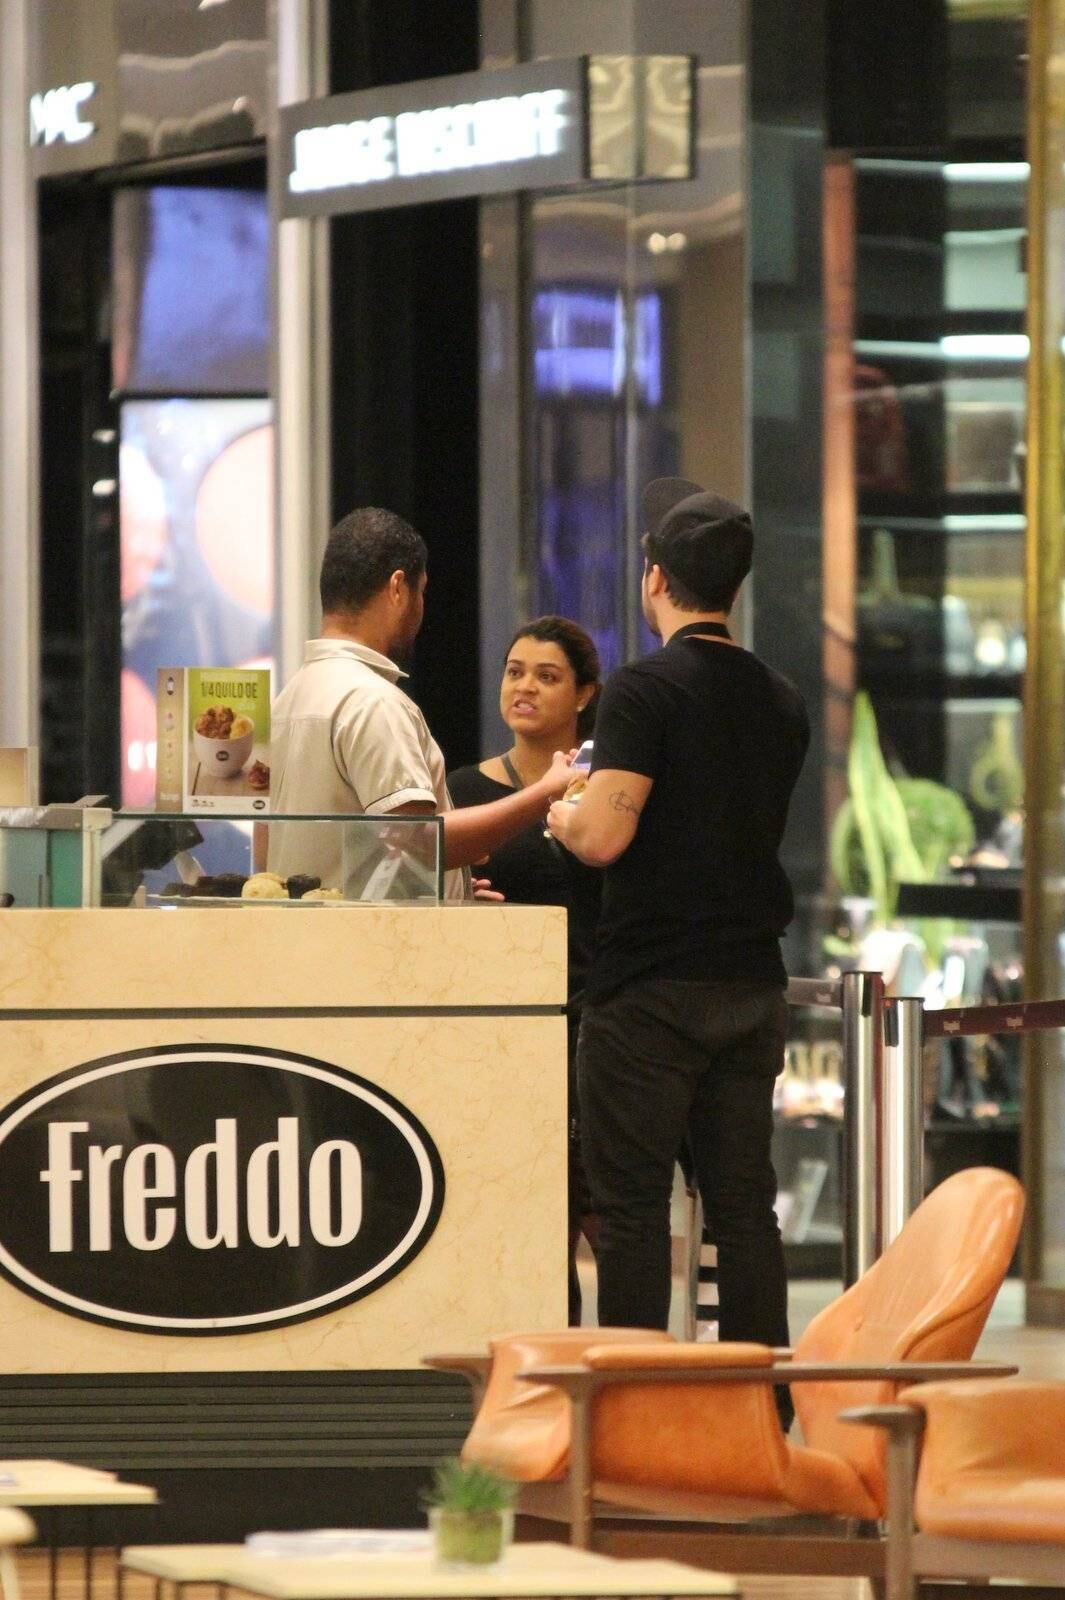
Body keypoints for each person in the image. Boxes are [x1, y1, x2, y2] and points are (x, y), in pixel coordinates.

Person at [547, 480, 809, 1412]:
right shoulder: (780, 699)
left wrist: (564, 809)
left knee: (628, 1217)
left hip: (649, 990)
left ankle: (632, 1424)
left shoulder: (644, 688)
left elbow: (608, 835)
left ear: (654, 577)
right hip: (748, 984)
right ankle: (759, 1422)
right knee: (743, 1214)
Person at [268, 508, 573, 896]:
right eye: (422, 591)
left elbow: (272, 848)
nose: (422, 608)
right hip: (366, 949)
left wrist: (449, 891)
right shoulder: (372, 700)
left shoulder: (290, 696)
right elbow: (418, 844)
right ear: (398, 588)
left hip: (316, 940)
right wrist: (544, 792)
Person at [448, 616, 603, 1323]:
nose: (524, 686)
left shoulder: (611, 790)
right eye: (514, 671)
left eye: (546, 676)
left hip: (596, 1017)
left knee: (607, 1217)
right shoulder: (463, 789)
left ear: (583, 695)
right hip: (504, 1030)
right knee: (530, 1224)